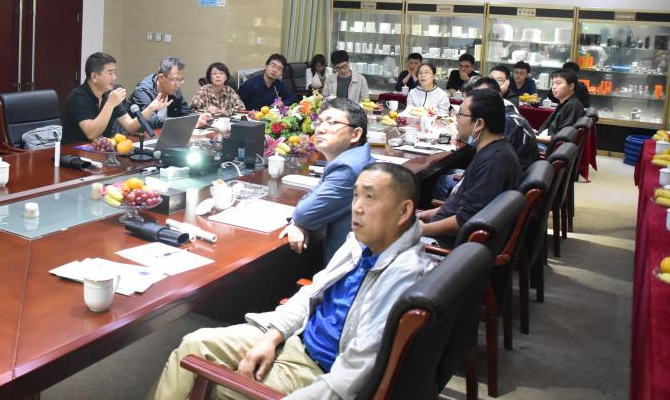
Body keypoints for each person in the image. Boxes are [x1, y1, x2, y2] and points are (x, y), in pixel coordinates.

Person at [151, 163, 433, 400]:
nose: (356, 208)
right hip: (296, 338)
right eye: (355, 195)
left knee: (208, 383)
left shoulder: (402, 276)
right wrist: (272, 338)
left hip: (319, 371)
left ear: (404, 211)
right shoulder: (362, 242)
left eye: (369, 198)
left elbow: (356, 371)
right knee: (193, 344)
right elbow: (313, 291)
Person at [417, 88, 522, 248]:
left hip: (446, 249)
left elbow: (464, 221)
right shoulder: (493, 150)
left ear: (479, 124)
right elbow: (458, 206)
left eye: (460, 114)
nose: (456, 119)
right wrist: (425, 214)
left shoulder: (494, 163)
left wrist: (422, 230)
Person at [280, 99, 373, 262]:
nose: (320, 129)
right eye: (319, 122)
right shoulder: (353, 158)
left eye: (332, 123)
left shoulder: (348, 168)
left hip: (350, 270)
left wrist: (296, 222)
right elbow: (312, 196)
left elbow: (304, 214)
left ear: (355, 134)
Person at [62, 52, 169, 144]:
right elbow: (92, 134)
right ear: (94, 76)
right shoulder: (78, 97)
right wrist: (110, 104)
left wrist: (150, 109)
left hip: (101, 152)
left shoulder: (109, 95)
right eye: (110, 73)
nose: (114, 77)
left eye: (114, 73)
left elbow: (130, 126)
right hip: (74, 154)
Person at [129, 57, 211, 129]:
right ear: (161, 77)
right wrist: (188, 124)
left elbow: (185, 112)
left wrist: (197, 118)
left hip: (161, 136)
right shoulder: (143, 91)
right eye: (175, 80)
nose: (178, 84)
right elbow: (152, 122)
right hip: (134, 138)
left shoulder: (174, 89)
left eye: (181, 79)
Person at [537, 68, 586, 148]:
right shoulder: (565, 102)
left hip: (550, 148)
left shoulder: (573, 106)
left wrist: (535, 138)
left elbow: (561, 139)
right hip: (546, 140)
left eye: (558, 83)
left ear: (571, 86)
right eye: (553, 84)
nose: (553, 87)